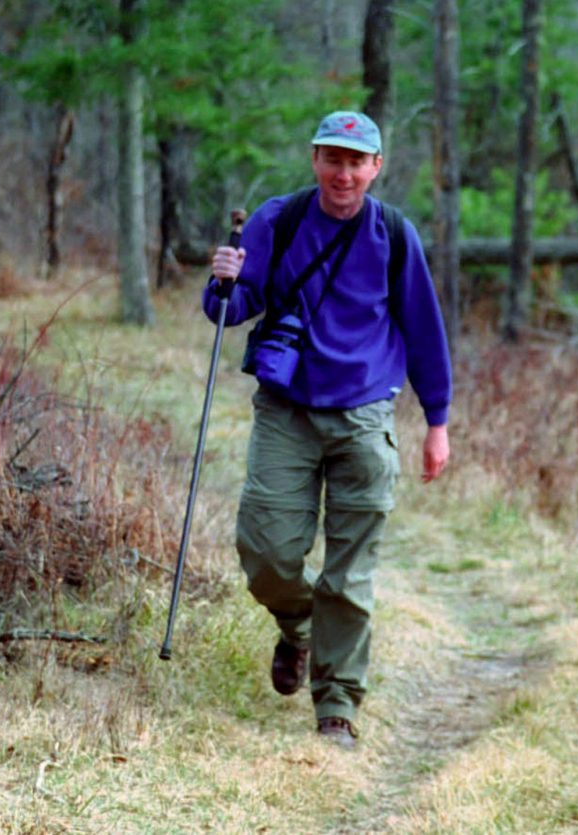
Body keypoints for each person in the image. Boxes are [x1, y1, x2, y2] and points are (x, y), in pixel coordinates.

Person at [202, 110, 451, 750]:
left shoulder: (394, 235)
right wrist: (223, 280)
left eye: (356, 161)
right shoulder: (277, 220)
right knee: (265, 552)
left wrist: (437, 421)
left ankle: (337, 706)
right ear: (315, 160)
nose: (343, 173)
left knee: (350, 573)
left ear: (375, 167)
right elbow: (227, 308)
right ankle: (298, 627)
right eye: (332, 158)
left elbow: (425, 332)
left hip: (367, 413)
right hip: (286, 407)